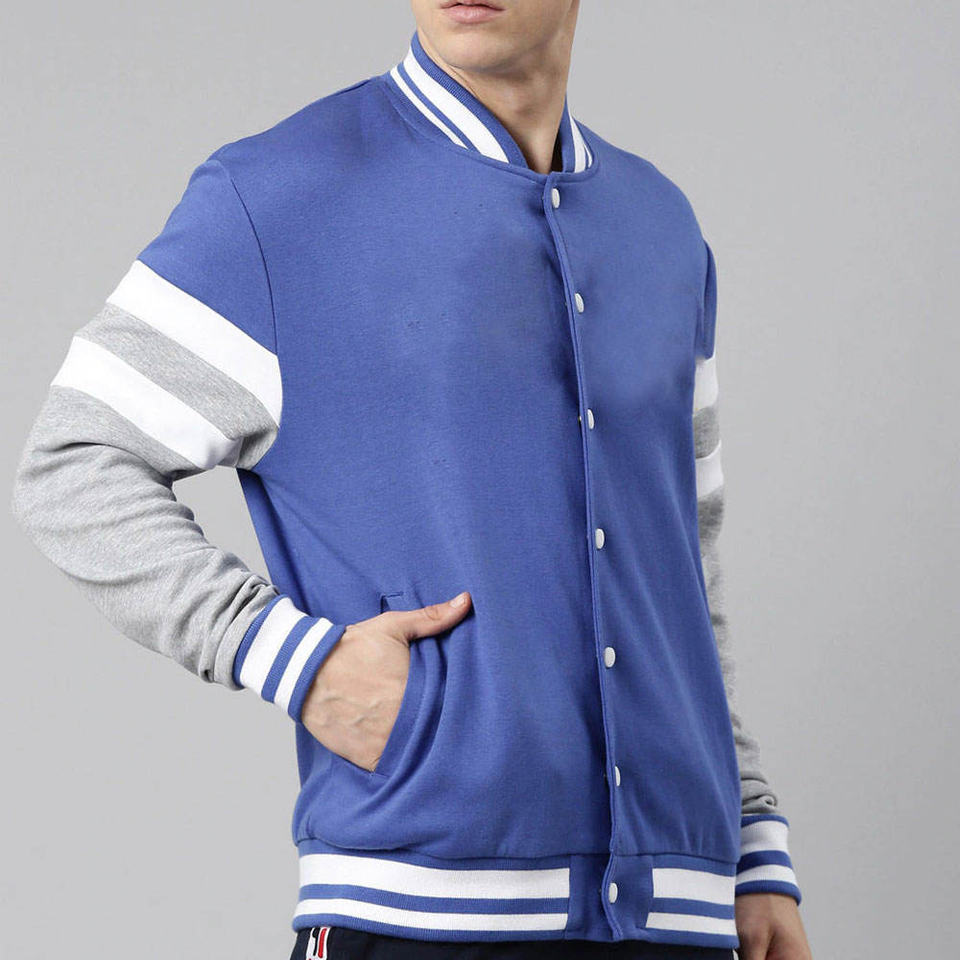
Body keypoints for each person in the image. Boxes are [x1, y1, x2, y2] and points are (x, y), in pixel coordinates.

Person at [10, 2, 814, 958]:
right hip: (416, 914)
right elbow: (74, 461)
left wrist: (751, 841)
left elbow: (682, 567)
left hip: (683, 917)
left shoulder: (663, 228)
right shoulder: (278, 198)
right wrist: (293, 659)